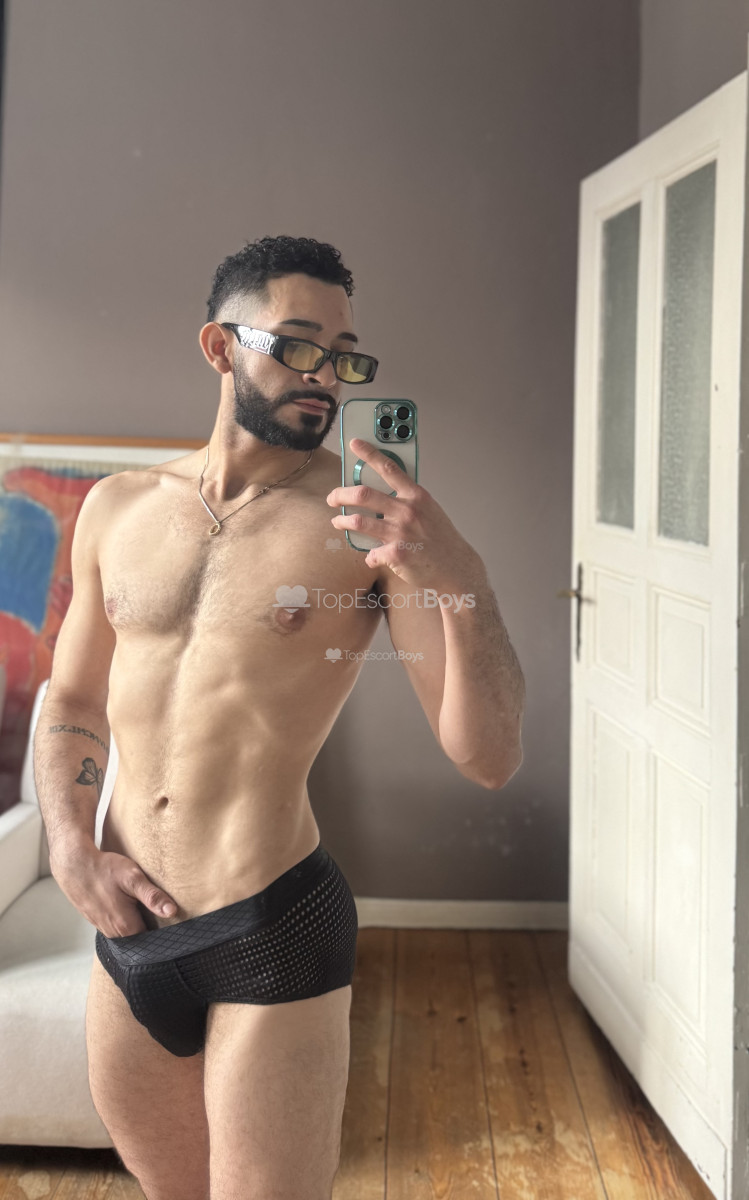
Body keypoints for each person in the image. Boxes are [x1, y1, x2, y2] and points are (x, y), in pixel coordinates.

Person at [33, 234, 525, 1200]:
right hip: (128, 925)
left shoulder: (363, 531)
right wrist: (70, 849)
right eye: (298, 345)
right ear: (219, 347)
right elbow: (75, 699)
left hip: (270, 921)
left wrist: (459, 573)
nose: (325, 376)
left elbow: (488, 755)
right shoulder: (117, 508)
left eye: (344, 355)